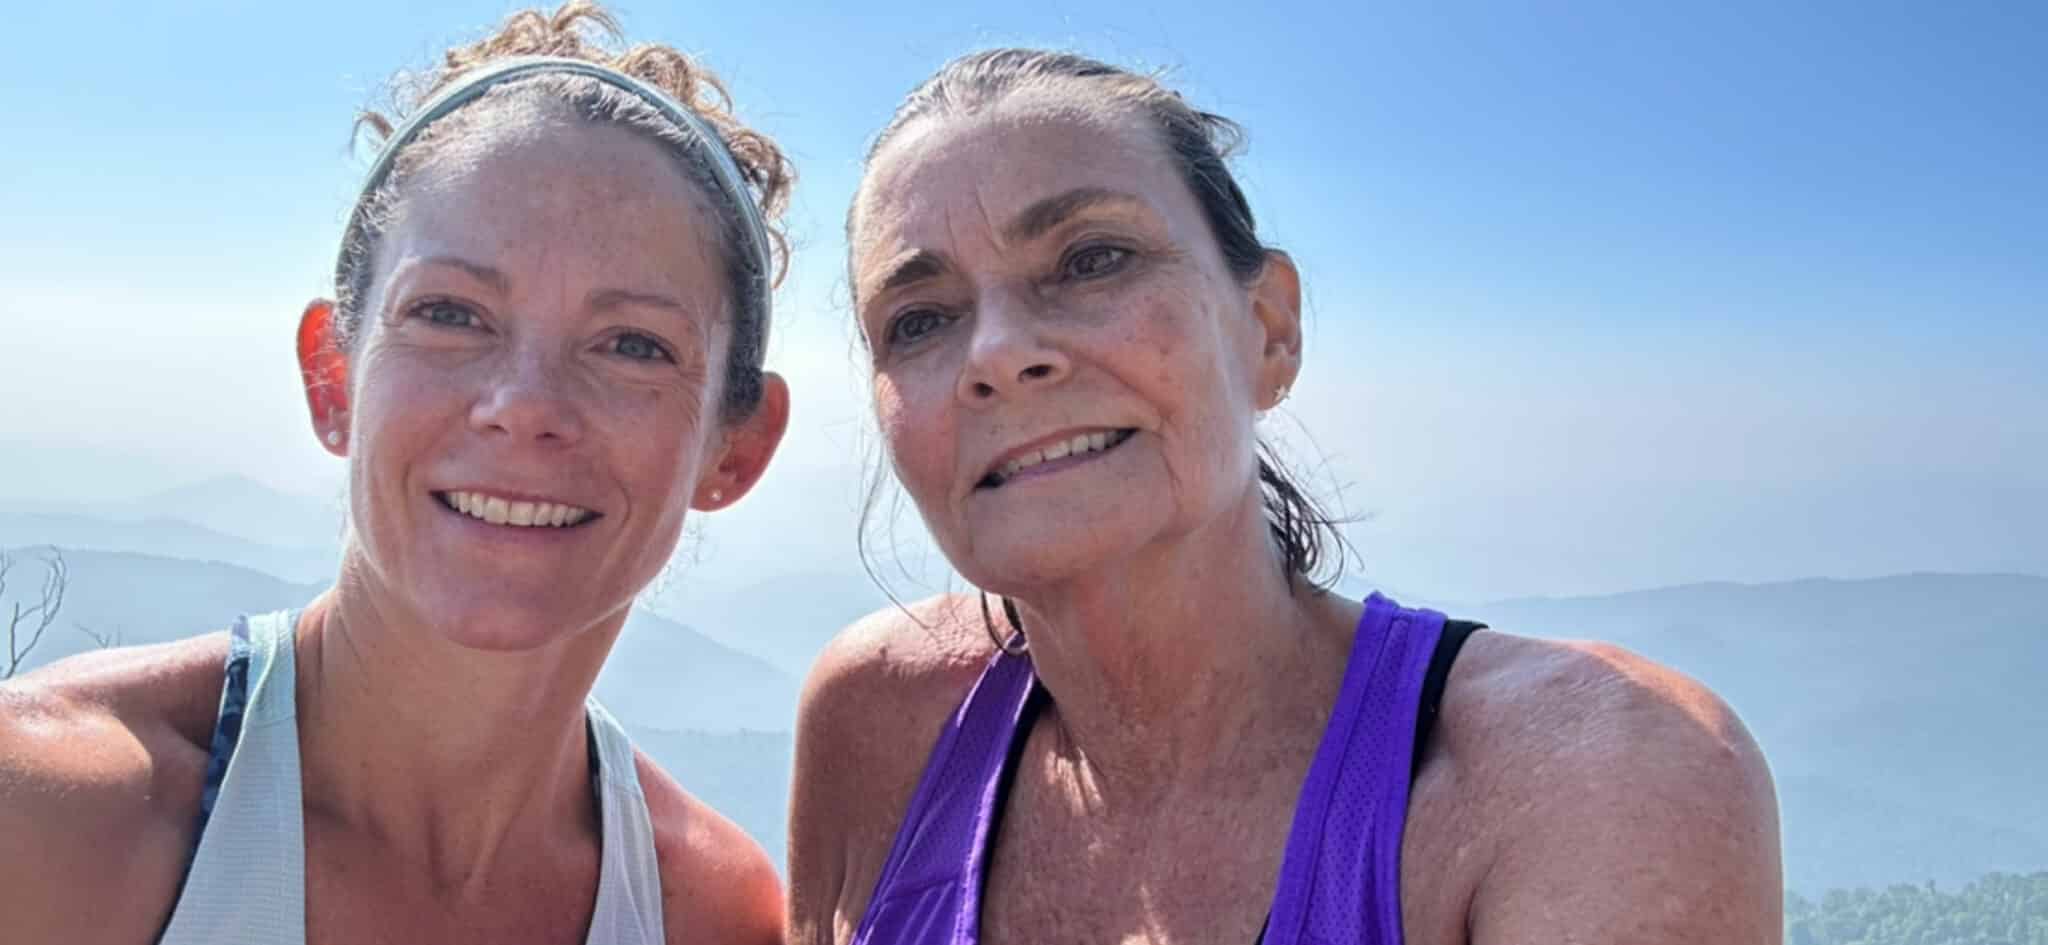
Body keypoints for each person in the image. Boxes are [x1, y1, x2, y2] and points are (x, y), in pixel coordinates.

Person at [788, 49, 1782, 945]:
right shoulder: (882, 721)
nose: (997, 355)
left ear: (1266, 328)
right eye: (918, 321)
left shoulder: (1586, 777)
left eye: (1092, 259)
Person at [0, 4, 791, 943]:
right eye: (451, 314)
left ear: (734, 450)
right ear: (333, 379)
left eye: (632, 344)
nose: (524, 402)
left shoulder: (712, 912)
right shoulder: (51, 820)